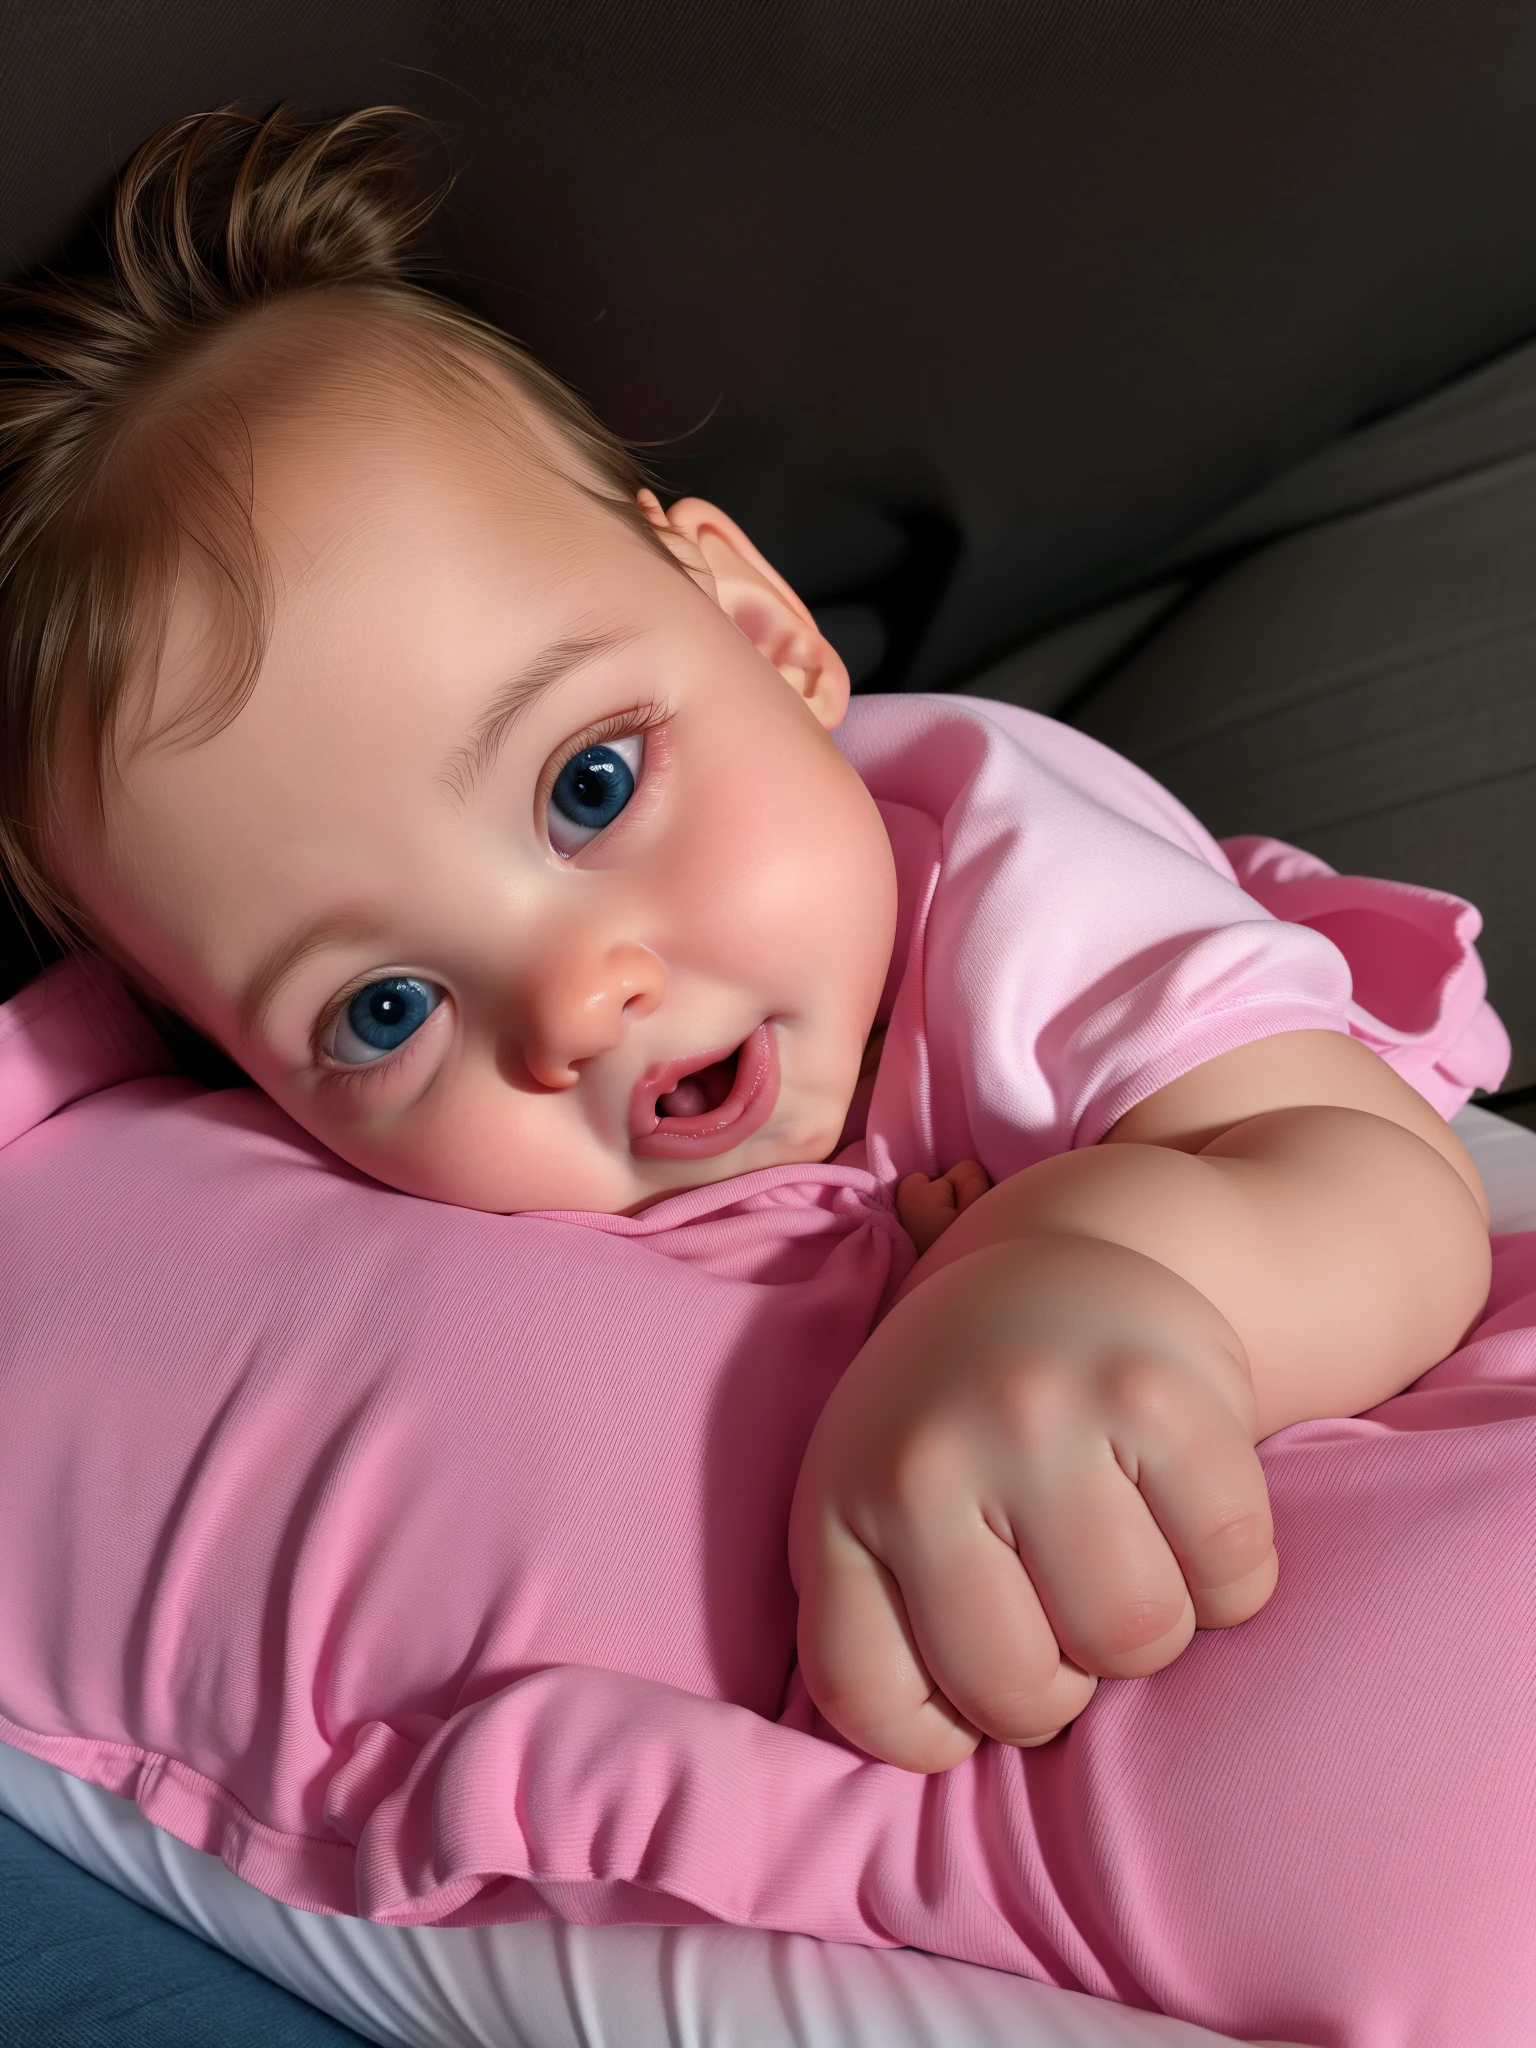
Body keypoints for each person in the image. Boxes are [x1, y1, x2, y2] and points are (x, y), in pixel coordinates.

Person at [0, 105, 1501, 1784]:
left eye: (590, 784)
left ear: (760, 630)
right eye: (384, 1007)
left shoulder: (1022, 896)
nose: (577, 997)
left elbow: (1377, 1187)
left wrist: (1102, 1269)